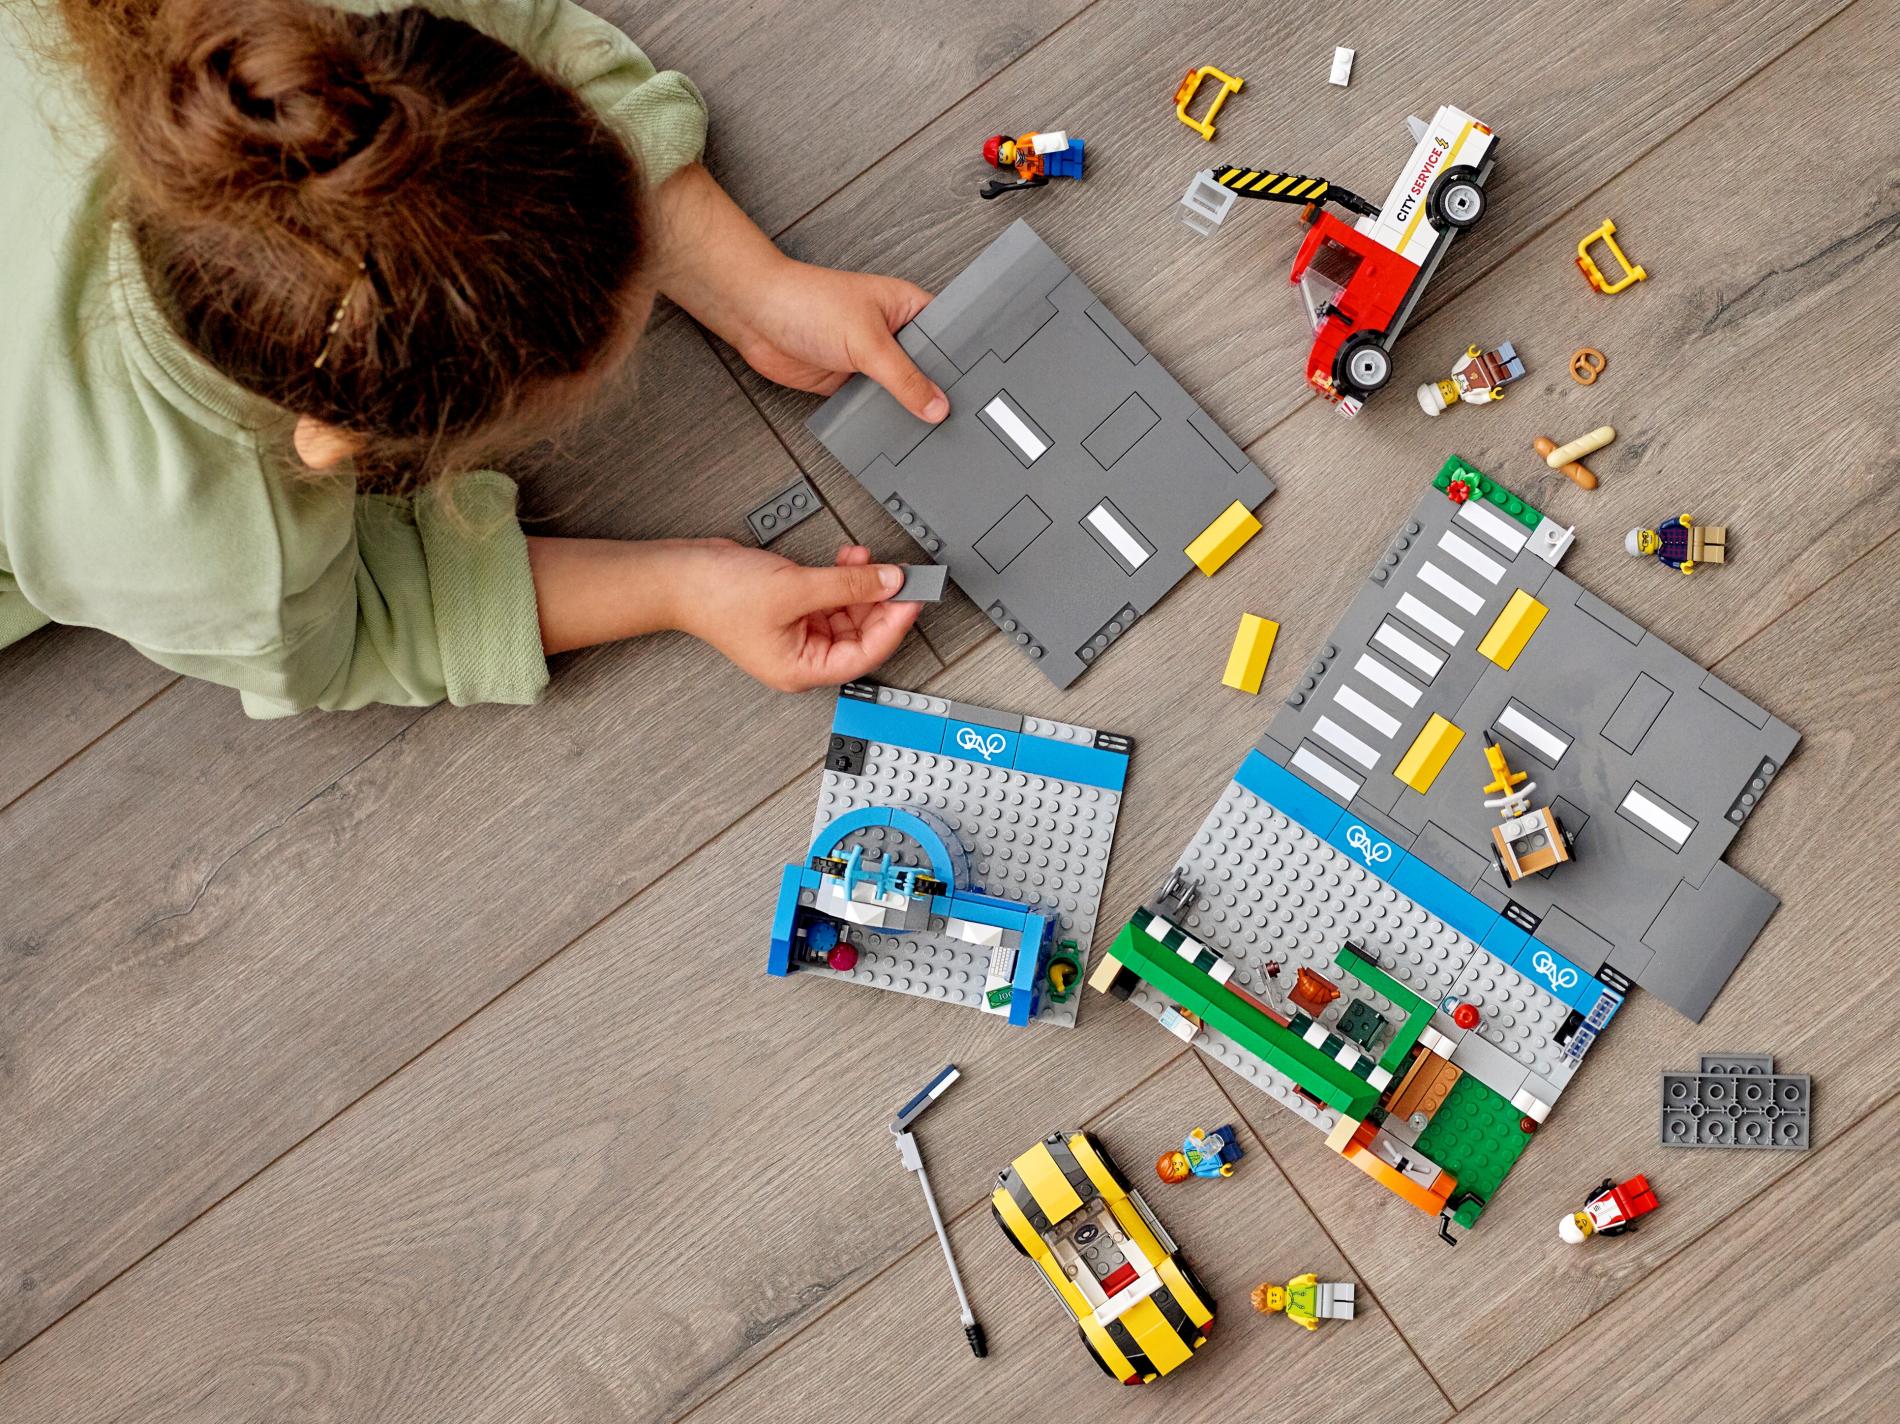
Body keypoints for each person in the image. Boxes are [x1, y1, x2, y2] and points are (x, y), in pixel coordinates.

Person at [0, 0, 951, 716]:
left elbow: (520, 33)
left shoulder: (329, 51)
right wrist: (680, 585)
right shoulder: (186, 538)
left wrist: (753, 286)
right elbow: (352, 634)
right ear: (334, 440)